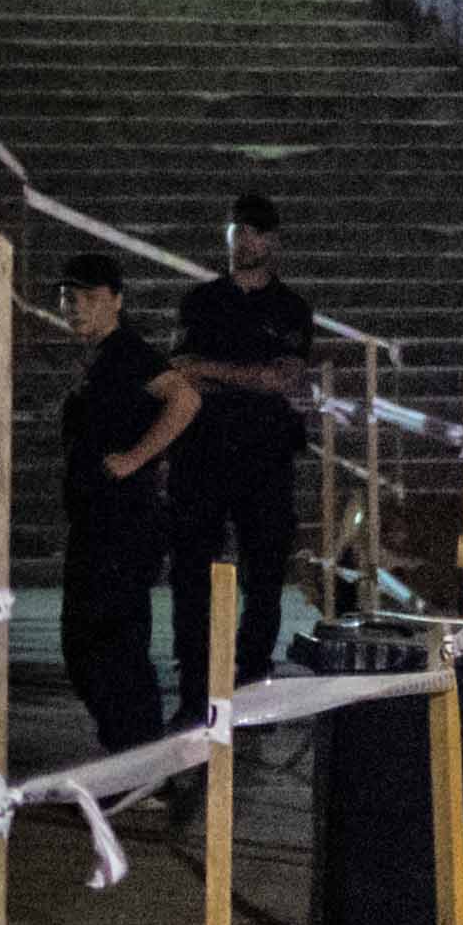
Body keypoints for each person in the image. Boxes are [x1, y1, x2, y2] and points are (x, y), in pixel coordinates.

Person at [165, 195, 320, 679]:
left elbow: (284, 378)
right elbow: (181, 369)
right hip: (202, 448)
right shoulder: (201, 301)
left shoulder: (291, 308)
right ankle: (194, 670)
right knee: (192, 565)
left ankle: (253, 668)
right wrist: (253, 375)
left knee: (265, 567)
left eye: (253, 233)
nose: (243, 242)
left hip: (265, 452)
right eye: (237, 232)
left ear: (273, 241)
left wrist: (213, 371)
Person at [55, 255, 198, 753]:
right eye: (69, 298)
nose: (77, 307)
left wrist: (135, 458)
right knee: (86, 643)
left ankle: (139, 758)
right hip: (96, 520)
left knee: (112, 645)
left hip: (123, 523)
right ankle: (129, 752)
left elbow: (185, 399)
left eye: (90, 298)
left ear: (116, 300)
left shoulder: (127, 352)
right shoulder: (96, 358)